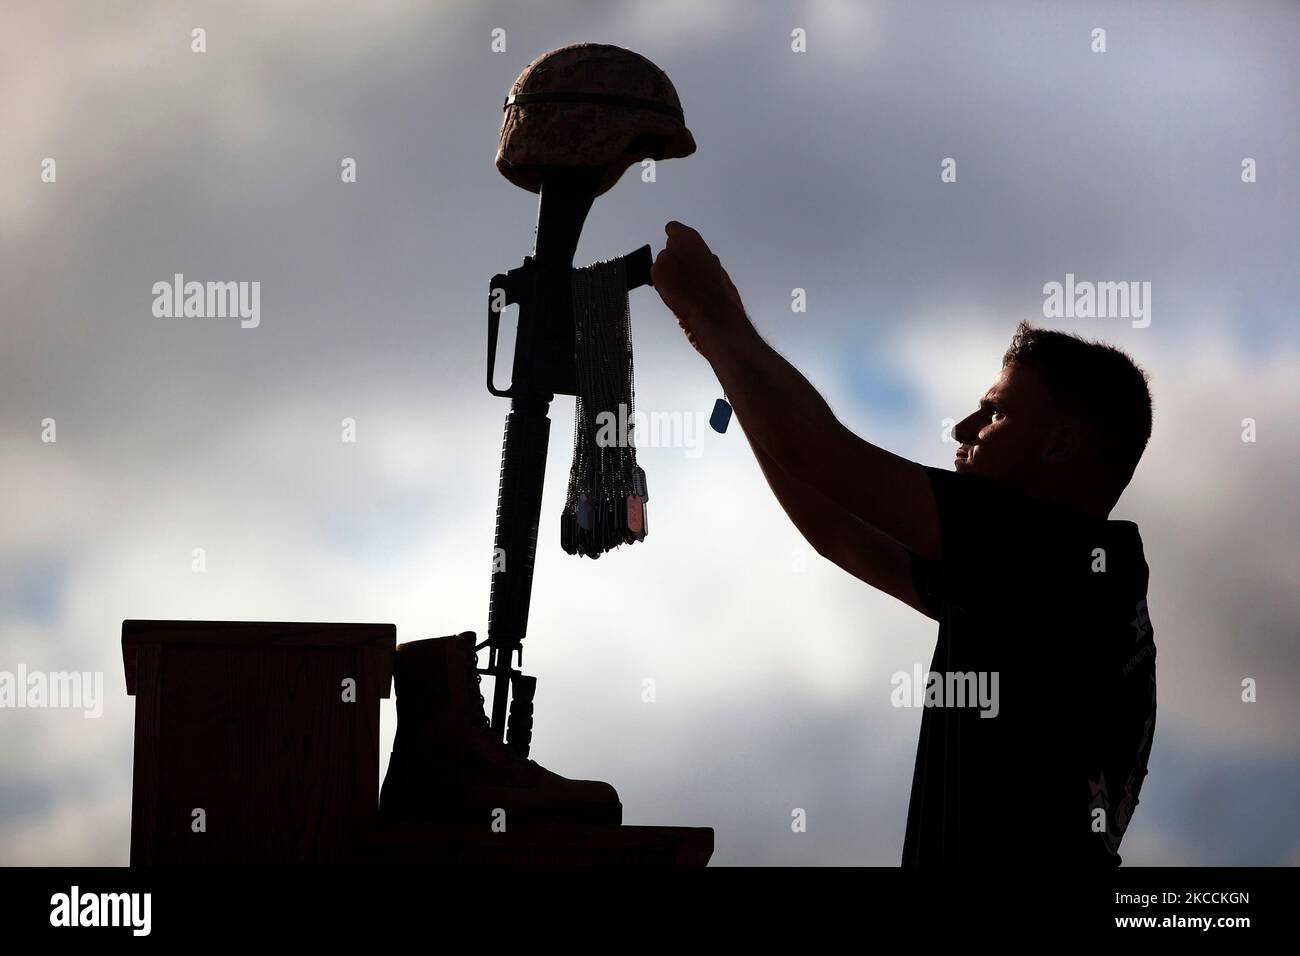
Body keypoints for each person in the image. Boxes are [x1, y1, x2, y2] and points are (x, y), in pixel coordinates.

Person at [651, 221, 1157, 866]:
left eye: (996, 413)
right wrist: (724, 352)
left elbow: (817, 452)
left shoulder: (1060, 555)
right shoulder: (1049, 578)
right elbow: (833, 525)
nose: (964, 426)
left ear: (1059, 446)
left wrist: (717, 319)